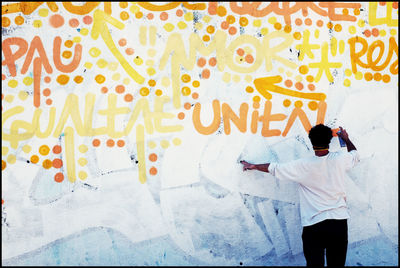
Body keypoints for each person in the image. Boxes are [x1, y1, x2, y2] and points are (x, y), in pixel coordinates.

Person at [241, 124, 359, 267]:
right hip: (338, 223)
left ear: (311, 141)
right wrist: (346, 139)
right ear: (329, 141)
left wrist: (253, 166)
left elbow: (274, 168)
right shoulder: (340, 159)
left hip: (314, 225)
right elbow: (355, 155)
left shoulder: (302, 165)